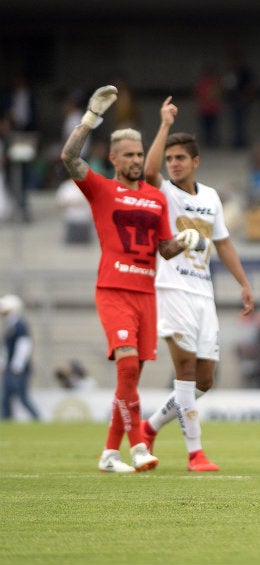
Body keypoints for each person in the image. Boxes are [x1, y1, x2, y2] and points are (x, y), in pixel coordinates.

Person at [60, 85, 204, 473]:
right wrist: (90, 119)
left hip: (146, 294)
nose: (138, 160)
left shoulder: (156, 199)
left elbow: (164, 248)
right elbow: (69, 157)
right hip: (113, 290)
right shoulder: (101, 190)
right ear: (113, 159)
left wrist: (185, 240)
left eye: (140, 154)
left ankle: (109, 453)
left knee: (130, 381)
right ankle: (139, 445)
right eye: (130, 155)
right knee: (126, 370)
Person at [138, 96, 255, 472]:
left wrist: (243, 282)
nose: (173, 164)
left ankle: (149, 427)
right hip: (171, 289)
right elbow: (148, 169)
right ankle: (195, 454)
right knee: (184, 368)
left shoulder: (211, 198)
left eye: (180, 158)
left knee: (205, 379)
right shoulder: (164, 191)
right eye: (170, 159)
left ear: (195, 162)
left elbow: (222, 242)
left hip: (203, 292)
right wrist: (164, 125)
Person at [1, 294, 40, 421]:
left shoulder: (20, 325)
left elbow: (24, 346)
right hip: (9, 368)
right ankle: (6, 421)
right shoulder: (10, 326)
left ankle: (37, 419)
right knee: (5, 398)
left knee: (22, 397)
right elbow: (7, 349)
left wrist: (17, 365)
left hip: (17, 370)